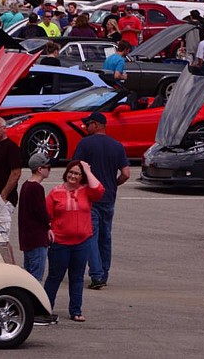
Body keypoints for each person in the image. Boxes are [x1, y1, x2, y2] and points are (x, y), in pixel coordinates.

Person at [73, 112, 129, 289]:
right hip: (109, 198)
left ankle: (96, 275)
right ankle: (104, 272)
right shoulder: (117, 146)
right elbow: (126, 173)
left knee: (91, 236)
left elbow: (75, 169)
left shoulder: (85, 144)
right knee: (106, 237)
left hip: (90, 197)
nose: (85, 127)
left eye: (88, 124)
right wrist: (114, 184)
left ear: (96, 125)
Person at [44, 160, 105, 322]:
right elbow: (45, 215)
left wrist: (87, 170)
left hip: (82, 243)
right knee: (55, 276)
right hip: (60, 243)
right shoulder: (55, 192)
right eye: (71, 172)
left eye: (77, 173)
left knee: (77, 278)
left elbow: (99, 190)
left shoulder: (86, 192)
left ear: (82, 176)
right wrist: (48, 228)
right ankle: (45, 308)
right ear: (66, 173)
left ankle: (76, 310)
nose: (73, 176)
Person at [18, 153, 52, 282]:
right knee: (36, 278)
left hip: (27, 238)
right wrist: (49, 226)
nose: (49, 169)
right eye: (48, 167)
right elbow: (41, 212)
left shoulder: (26, 185)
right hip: (37, 238)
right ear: (40, 169)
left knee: (28, 275)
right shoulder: (36, 188)